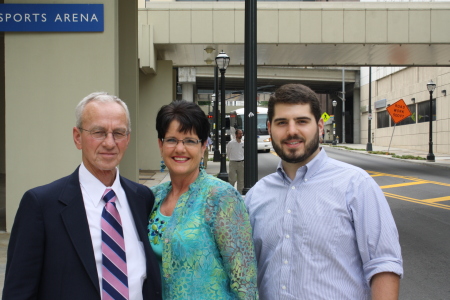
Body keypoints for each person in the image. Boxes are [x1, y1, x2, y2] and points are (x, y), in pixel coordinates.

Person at [245, 84, 403, 300]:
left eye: (302, 121)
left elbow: (384, 264)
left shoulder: (356, 185)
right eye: (282, 123)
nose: (292, 131)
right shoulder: (256, 196)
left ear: (319, 126)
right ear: (270, 127)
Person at [3, 92, 161, 300]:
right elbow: (18, 292)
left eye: (119, 133)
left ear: (128, 139)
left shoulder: (142, 199)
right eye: (99, 132)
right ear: (78, 137)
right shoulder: (41, 205)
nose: (109, 143)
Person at [149, 100, 258, 299]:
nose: (180, 149)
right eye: (172, 140)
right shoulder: (152, 197)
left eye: (190, 141)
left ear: (203, 146)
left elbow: (244, 281)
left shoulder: (221, 197)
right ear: (160, 144)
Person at [226, 129, 244, 194]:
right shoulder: (231, 143)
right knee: (232, 179)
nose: (241, 135)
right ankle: (231, 193)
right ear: (236, 134)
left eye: (241, 133)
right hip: (233, 162)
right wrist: (230, 159)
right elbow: (228, 152)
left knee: (241, 180)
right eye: (239, 133)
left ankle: (240, 193)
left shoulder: (243, 143)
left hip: (241, 163)